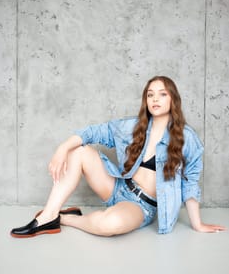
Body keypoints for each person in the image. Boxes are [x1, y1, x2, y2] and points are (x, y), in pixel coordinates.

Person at [11, 76, 226, 238]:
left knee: (109, 225)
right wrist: (62, 148)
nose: (155, 99)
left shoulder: (187, 138)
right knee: (78, 151)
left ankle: (65, 218)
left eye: (162, 94)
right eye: (150, 94)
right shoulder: (133, 126)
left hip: (140, 205)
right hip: (116, 187)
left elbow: (190, 182)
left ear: (173, 99)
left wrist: (197, 224)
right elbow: (93, 132)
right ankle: (47, 216)